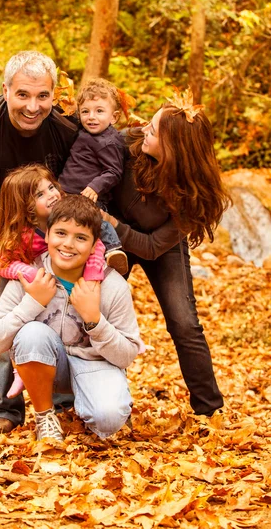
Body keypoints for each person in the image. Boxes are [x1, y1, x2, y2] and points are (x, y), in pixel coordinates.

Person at [0, 51, 78, 433]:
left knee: (62, 304)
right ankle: (6, 407)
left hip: (53, 231)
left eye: (42, 96)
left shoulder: (65, 129)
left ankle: (61, 400)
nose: (33, 106)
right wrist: (18, 266)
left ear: (53, 94)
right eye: (23, 94)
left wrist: (59, 247)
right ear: (5, 90)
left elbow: (74, 192)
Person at [103, 88, 231, 417]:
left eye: (154, 129)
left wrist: (113, 223)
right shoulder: (129, 142)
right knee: (99, 314)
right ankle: (104, 403)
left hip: (158, 245)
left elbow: (153, 246)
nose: (144, 128)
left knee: (184, 324)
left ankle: (210, 410)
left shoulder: (195, 191)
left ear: (174, 147)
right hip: (112, 241)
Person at [0, 195, 145, 441]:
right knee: (32, 333)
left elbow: (127, 355)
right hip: (44, 360)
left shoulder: (112, 285)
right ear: (46, 235)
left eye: (80, 238)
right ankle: (45, 415)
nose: (68, 244)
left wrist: (94, 320)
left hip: (95, 364)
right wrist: (33, 302)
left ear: (94, 246)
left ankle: (99, 401)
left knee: (109, 419)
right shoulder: (31, 275)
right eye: (60, 233)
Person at [0, 163, 106, 398]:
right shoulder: (25, 235)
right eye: (40, 194)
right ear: (25, 207)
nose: (51, 195)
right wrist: (29, 274)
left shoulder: (69, 219)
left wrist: (92, 280)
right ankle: (21, 368)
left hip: (73, 285)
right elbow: (2, 262)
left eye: (51, 187)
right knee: (30, 327)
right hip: (39, 286)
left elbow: (97, 247)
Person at [59, 78, 128, 274]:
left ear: (113, 117)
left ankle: (113, 249)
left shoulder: (109, 141)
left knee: (94, 220)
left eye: (99, 111)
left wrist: (95, 187)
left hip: (88, 196)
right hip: (67, 193)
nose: (91, 117)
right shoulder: (87, 132)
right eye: (85, 111)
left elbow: (114, 171)